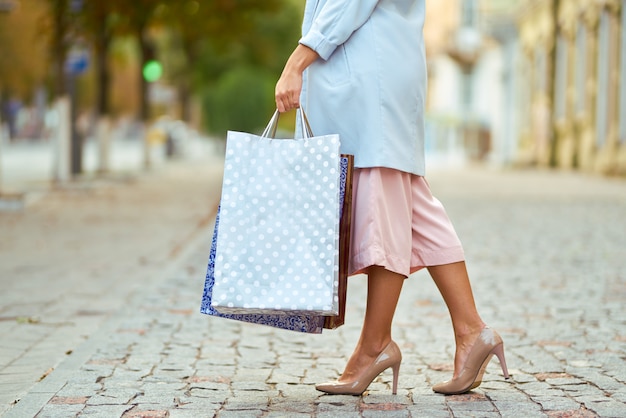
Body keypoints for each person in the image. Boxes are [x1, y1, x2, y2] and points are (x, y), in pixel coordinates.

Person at [275, 0, 509, 396]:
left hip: (369, 79)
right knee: (415, 209)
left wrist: (297, 60)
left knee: (383, 212)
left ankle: (375, 346)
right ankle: (473, 331)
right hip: (378, 72)